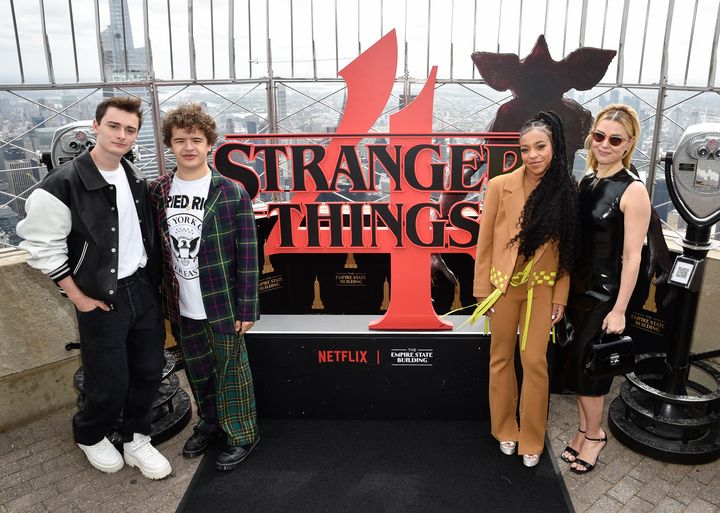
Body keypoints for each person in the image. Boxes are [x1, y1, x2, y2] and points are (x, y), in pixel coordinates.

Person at [17, 96, 172, 480]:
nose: (122, 135)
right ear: (96, 127)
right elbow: (41, 246)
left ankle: (137, 437)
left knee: (149, 370)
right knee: (108, 379)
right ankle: (90, 434)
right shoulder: (64, 182)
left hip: (141, 290)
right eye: (114, 126)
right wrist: (79, 296)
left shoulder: (134, 176)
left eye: (130, 130)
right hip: (101, 298)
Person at [150, 103, 260, 471]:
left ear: (210, 143)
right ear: (169, 144)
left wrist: (247, 308)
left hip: (223, 301)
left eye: (196, 139)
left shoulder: (231, 192)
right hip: (182, 305)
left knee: (232, 372)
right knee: (197, 372)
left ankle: (243, 433)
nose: (189, 147)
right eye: (180, 140)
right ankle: (210, 423)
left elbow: (248, 254)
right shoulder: (158, 191)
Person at [473, 111, 579, 467]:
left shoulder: (566, 190)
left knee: (534, 362)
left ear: (555, 147)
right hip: (502, 289)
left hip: (541, 290)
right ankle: (505, 428)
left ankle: (532, 437)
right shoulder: (500, 186)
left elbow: (568, 249)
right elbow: (484, 242)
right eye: (525, 149)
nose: (533, 155)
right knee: (500, 358)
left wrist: (561, 296)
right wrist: (480, 291)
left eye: (540, 146)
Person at [559, 104, 651, 474]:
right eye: (599, 136)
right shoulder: (588, 182)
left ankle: (595, 437)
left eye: (616, 139)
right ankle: (584, 430)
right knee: (579, 368)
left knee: (591, 373)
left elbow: (633, 258)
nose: (605, 144)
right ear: (591, 137)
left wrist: (619, 310)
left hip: (605, 297)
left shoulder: (634, 191)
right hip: (579, 292)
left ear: (629, 144)